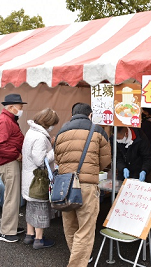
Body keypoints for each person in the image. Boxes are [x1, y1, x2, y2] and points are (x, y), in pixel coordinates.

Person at [54, 103, 111, 267]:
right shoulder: (98, 131)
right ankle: (77, 263)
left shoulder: (61, 132)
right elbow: (106, 160)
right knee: (85, 229)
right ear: (90, 115)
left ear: (72, 115)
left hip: (65, 186)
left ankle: (78, 257)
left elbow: (57, 160)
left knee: (70, 225)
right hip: (87, 185)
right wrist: (92, 169)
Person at [21, 108, 59, 249]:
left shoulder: (31, 132)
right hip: (38, 179)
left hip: (29, 177)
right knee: (41, 208)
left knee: (31, 207)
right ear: (47, 123)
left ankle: (29, 235)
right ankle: (39, 239)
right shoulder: (40, 137)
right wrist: (54, 151)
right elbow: (40, 161)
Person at [0, 94, 27, 242]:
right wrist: (17, 155)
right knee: (11, 197)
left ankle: (10, 227)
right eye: (20, 107)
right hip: (8, 162)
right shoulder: (4, 121)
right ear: (11, 107)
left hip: (9, 161)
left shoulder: (9, 120)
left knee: (13, 196)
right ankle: (6, 231)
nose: (21, 109)